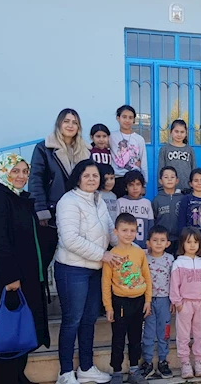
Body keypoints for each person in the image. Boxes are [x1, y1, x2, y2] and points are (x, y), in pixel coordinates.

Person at [0, 153, 49, 384]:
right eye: (16, 171)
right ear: (4, 171)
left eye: (25, 171)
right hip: (10, 276)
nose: (22, 176)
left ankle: (17, 376)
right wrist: (11, 278)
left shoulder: (17, 197)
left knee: (22, 328)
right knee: (7, 329)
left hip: (26, 273)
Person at [54, 159, 120, 384]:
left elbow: (110, 229)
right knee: (72, 319)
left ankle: (86, 367)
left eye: (95, 175)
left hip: (95, 269)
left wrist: (126, 248)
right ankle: (65, 372)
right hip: (72, 269)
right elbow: (70, 239)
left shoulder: (98, 199)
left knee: (89, 319)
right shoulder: (68, 201)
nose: (92, 179)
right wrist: (104, 255)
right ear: (78, 178)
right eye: (87, 175)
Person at [30, 108, 91, 274]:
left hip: (77, 212)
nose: (70, 125)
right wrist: (41, 210)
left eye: (75, 122)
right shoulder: (44, 148)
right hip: (51, 212)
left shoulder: (85, 151)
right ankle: (38, 298)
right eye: (66, 121)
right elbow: (36, 180)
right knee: (42, 259)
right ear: (59, 124)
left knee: (74, 259)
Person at [103, 213, 152, 384]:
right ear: (116, 231)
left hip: (138, 302)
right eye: (124, 230)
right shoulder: (111, 255)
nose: (128, 234)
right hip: (120, 303)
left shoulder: (139, 253)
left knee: (135, 337)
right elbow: (105, 284)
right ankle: (116, 371)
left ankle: (133, 371)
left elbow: (147, 277)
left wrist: (147, 300)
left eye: (132, 230)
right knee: (118, 338)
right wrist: (108, 307)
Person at [170, 227, 201, 379]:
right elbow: (174, 285)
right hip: (185, 304)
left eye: (195, 242)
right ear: (182, 244)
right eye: (189, 242)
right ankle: (185, 362)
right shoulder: (178, 263)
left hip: (200, 303)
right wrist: (177, 302)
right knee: (183, 334)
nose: (192, 245)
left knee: (200, 333)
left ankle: (199, 361)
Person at [139, 226, 175, 379]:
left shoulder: (170, 259)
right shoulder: (143, 257)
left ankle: (162, 361)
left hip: (164, 300)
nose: (158, 243)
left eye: (162, 240)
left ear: (167, 243)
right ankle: (147, 362)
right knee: (147, 332)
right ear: (148, 242)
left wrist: (173, 299)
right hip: (147, 300)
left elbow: (174, 281)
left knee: (164, 332)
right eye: (155, 240)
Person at [110, 105, 148, 198]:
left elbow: (143, 161)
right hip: (118, 179)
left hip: (134, 180)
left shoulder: (139, 139)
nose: (127, 120)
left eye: (130, 118)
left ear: (134, 120)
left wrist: (144, 184)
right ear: (118, 118)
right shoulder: (111, 137)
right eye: (124, 117)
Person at [177, 169, 201, 255]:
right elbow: (181, 220)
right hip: (190, 238)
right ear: (190, 183)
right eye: (196, 180)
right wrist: (182, 236)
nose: (199, 183)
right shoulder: (186, 199)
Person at [116, 170, 154, 249]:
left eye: (138, 184)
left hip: (143, 247)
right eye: (131, 185)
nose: (135, 188)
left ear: (142, 186)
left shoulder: (147, 203)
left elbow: (151, 226)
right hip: (124, 246)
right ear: (126, 187)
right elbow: (115, 226)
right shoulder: (120, 202)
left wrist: (149, 243)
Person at [158, 119, 195, 194]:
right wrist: (161, 188)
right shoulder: (164, 149)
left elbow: (193, 168)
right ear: (171, 132)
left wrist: (193, 186)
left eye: (182, 132)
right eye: (176, 131)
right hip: (169, 189)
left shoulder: (189, 149)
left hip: (187, 188)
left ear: (186, 134)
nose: (179, 134)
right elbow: (161, 169)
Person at [153, 167, 183, 255]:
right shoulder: (157, 200)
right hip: (162, 240)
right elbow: (154, 220)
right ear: (160, 181)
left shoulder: (183, 199)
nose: (169, 179)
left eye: (172, 177)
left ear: (177, 180)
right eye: (166, 177)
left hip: (180, 239)